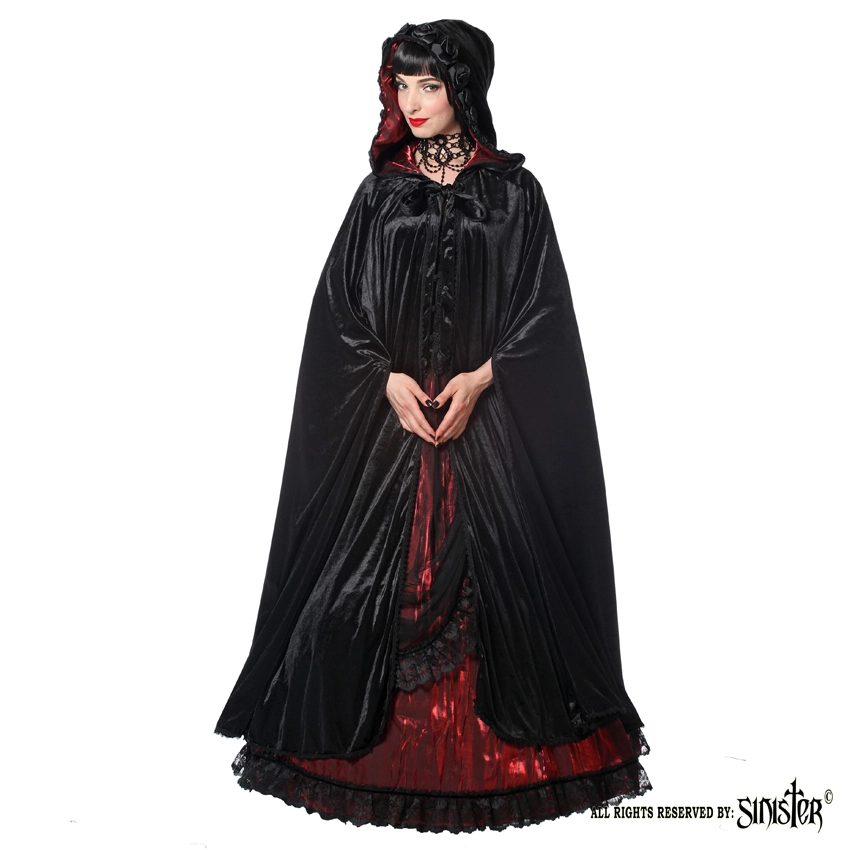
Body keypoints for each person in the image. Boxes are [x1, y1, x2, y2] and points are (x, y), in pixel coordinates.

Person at [214, 19, 651, 832]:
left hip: (491, 437)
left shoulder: (515, 193)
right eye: (402, 85)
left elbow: (545, 309)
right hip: (393, 438)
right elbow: (337, 308)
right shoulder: (380, 193)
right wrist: (384, 380)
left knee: (509, 592)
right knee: (355, 592)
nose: (413, 102)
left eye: (431, 85)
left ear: (464, 89)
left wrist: (487, 377)